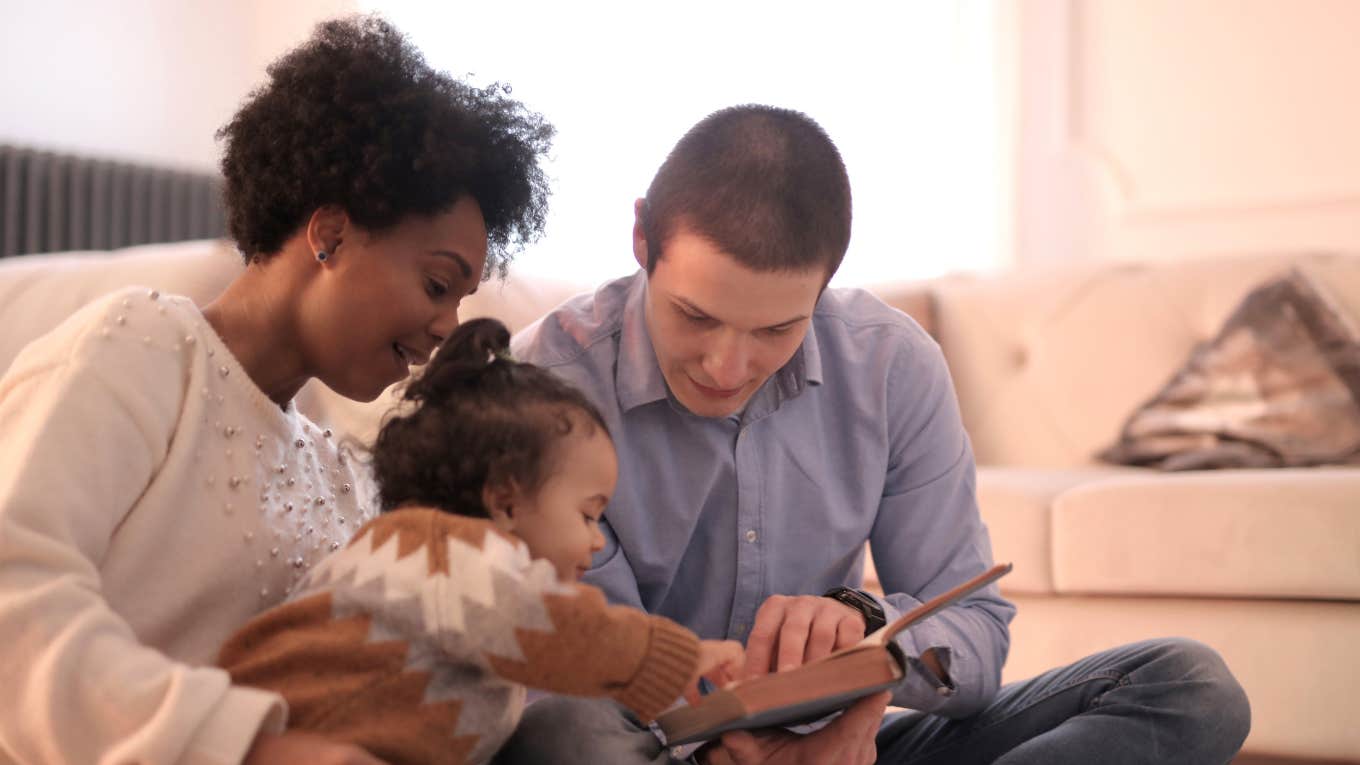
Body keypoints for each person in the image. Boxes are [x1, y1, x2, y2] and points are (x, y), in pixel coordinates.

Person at [501, 104, 1252, 765]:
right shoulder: (546, 379)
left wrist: (870, 646)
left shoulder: (893, 365)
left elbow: (978, 634)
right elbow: (578, 662)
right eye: (695, 315)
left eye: (775, 328)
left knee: (1189, 686)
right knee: (566, 735)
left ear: (827, 281)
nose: (728, 366)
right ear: (640, 237)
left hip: (834, 752)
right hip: (646, 747)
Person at [0, 16, 553, 765]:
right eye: (435, 283)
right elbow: (13, 594)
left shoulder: (346, 476)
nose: (445, 328)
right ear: (328, 233)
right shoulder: (142, 347)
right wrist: (259, 746)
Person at [217, 318, 745, 765]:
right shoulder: (440, 552)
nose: (597, 543)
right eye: (588, 515)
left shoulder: (450, 586)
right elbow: (557, 626)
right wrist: (678, 658)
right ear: (507, 500)